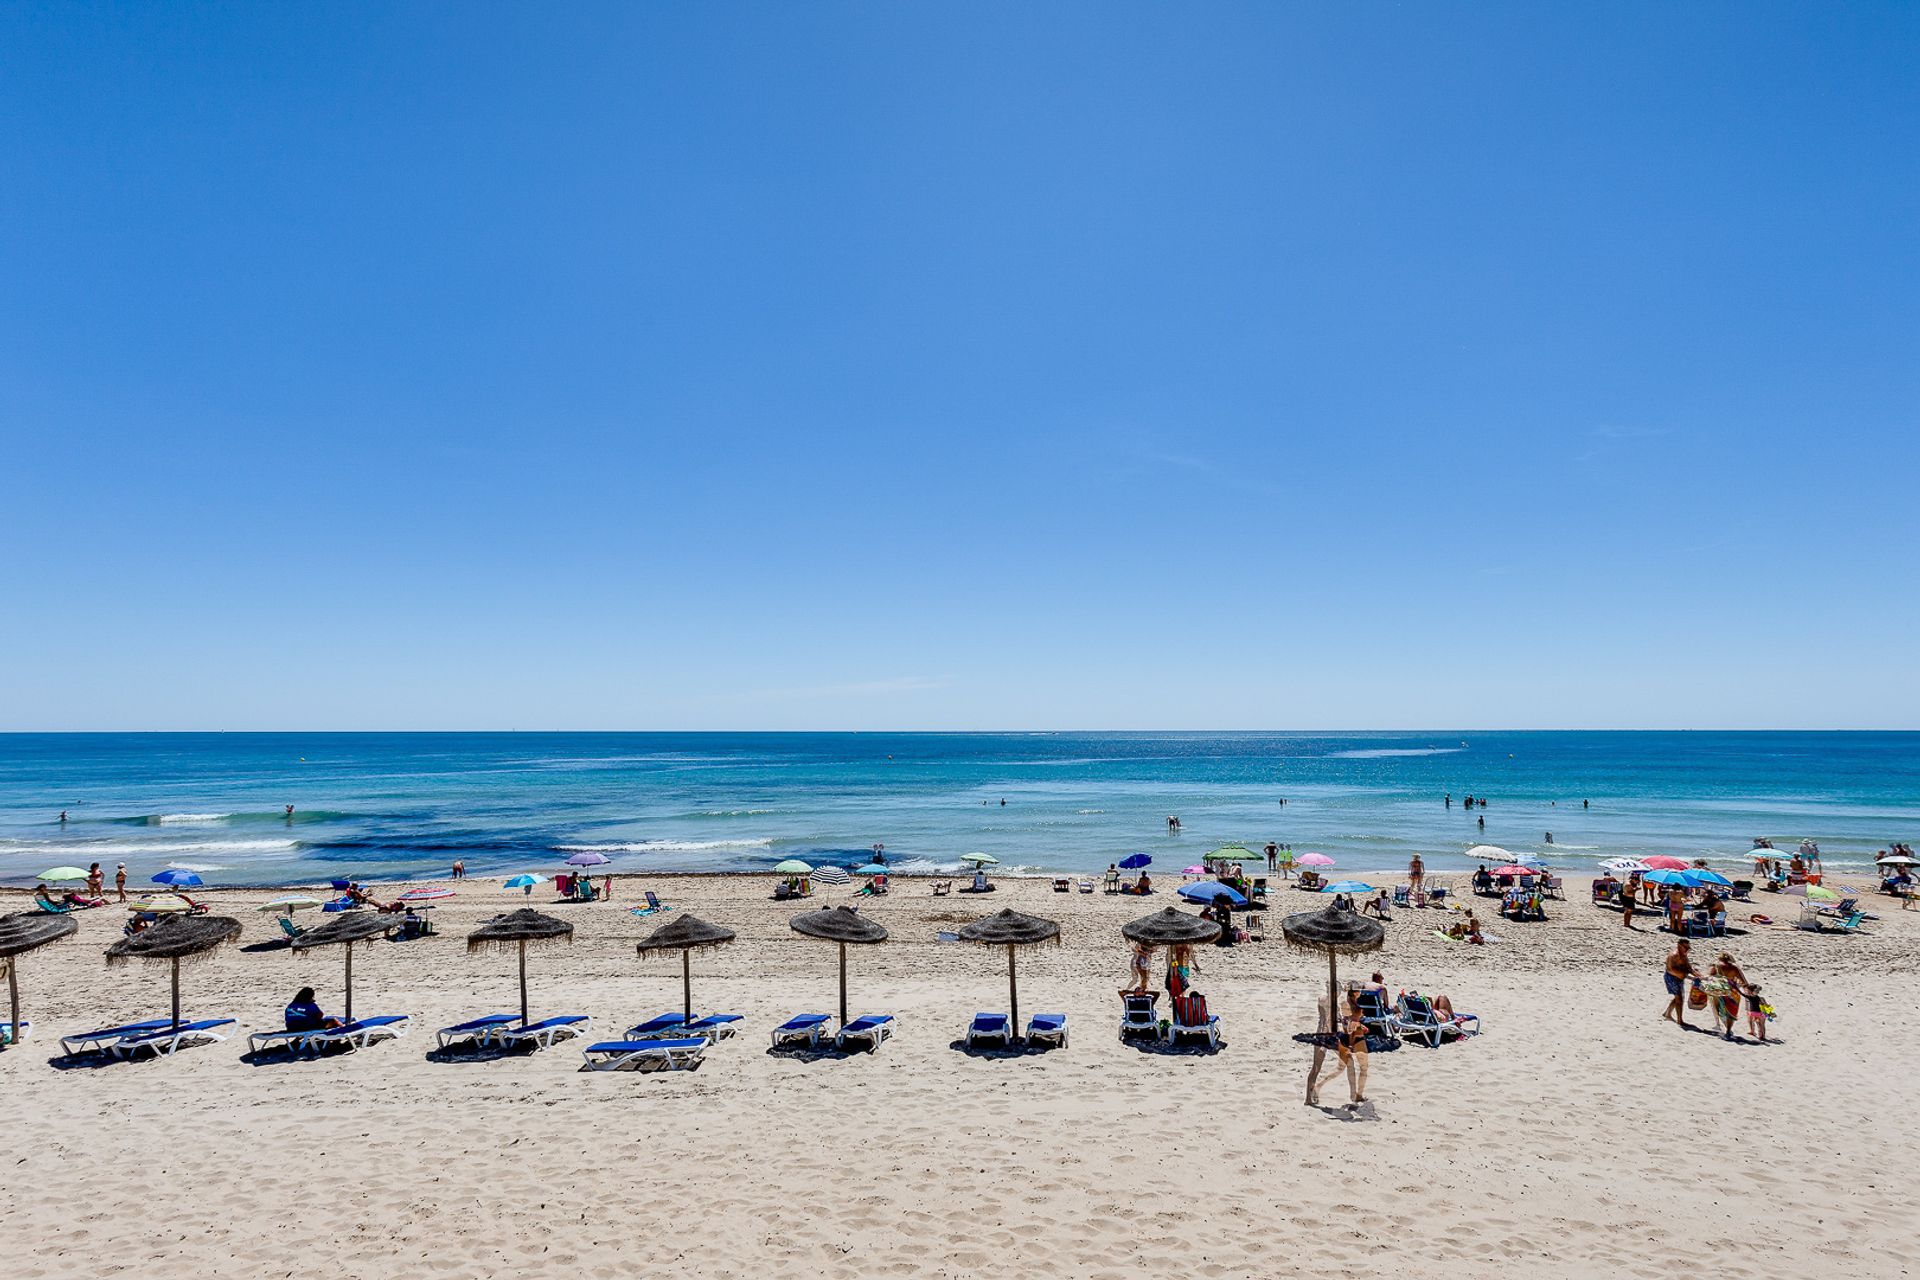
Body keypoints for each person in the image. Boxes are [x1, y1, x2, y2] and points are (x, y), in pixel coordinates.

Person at [1708, 952, 1747, 1040]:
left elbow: (1710, 977)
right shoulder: (1735, 968)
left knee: (1717, 1007)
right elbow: (1744, 982)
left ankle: (1719, 1024)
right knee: (1731, 1013)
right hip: (1732, 991)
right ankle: (1728, 1031)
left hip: (1719, 991)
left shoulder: (1716, 966)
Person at [1662, 939, 1698, 1028]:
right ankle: (1680, 1021)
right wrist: (1682, 975)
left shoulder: (1684, 955)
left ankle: (1667, 1013)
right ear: (1679, 945)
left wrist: (1698, 976)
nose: (1687, 950)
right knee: (1679, 998)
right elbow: (1670, 969)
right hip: (1671, 977)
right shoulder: (1674, 955)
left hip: (1679, 978)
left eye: (1688, 948)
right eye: (1685, 947)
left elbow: (1689, 968)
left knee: (1678, 997)